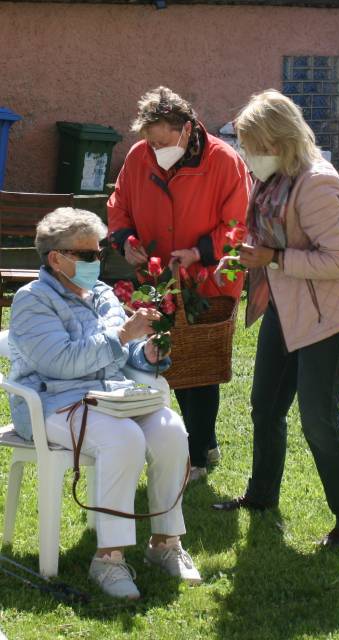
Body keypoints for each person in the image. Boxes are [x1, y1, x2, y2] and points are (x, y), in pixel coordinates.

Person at [7, 207, 201, 599]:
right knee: (122, 438)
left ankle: (165, 543)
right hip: (52, 404)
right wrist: (122, 337)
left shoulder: (102, 295)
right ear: (56, 258)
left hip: (110, 397)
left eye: (99, 254)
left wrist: (147, 352)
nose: (98, 262)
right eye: (88, 255)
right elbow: (59, 362)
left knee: (171, 431)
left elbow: (122, 355)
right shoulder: (32, 301)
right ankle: (108, 560)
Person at [213, 90, 339, 547]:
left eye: (252, 144)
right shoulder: (272, 177)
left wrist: (275, 258)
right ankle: (261, 496)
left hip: (331, 317)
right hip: (286, 306)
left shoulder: (318, 183)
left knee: (319, 419)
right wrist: (248, 260)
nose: (246, 154)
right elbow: (264, 236)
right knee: (265, 404)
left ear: (279, 140)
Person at [107, 86, 251, 481]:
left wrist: (200, 252)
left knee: (200, 364)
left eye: (161, 141)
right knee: (163, 359)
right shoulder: (139, 157)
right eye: (149, 141)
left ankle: (199, 456)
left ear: (186, 129)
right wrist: (126, 241)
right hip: (156, 277)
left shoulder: (225, 161)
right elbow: (118, 205)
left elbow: (238, 225)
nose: (154, 149)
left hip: (208, 279)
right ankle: (201, 442)